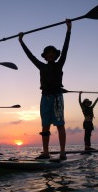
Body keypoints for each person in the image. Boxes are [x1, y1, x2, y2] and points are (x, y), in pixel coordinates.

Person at [18, 19, 72, 160]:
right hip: (45, 98)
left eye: (53, 53)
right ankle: (46, 152)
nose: (51, 55)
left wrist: (68, 30)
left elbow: (65, 49)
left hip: (57, 98)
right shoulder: (41, 66)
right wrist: (21, 42)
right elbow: (30, 56)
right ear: (45, 55)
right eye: (48, 53)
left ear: (55, 55)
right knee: (45, 126)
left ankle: (62, 152)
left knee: (60, 125)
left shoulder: (59, 64)